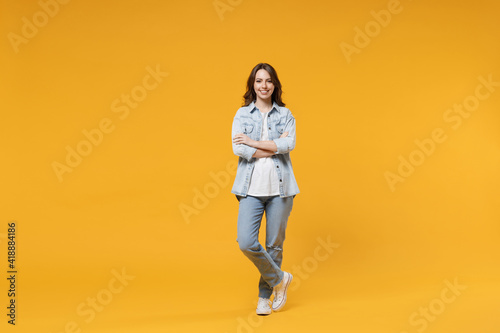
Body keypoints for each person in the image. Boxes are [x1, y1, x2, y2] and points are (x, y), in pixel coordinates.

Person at [231, 63, 299, 315]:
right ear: (252, 85)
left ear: (275, 85)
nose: (264, 85)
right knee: (247, 243)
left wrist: (253, 142)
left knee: (274, 245)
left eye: (268, 81)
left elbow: (288, 144)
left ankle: (264, 297)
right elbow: (239, 149)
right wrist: (271, 145)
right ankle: (280, 279)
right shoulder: (242, 115)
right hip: (250, 189)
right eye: (259, 81)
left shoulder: (285, 114)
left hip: (281, 190)